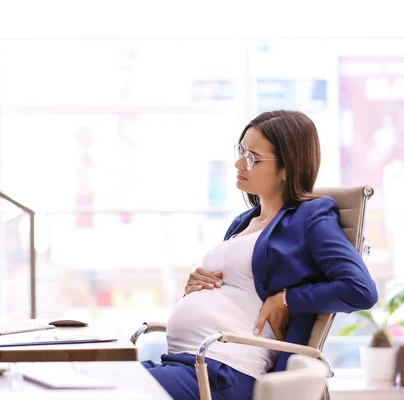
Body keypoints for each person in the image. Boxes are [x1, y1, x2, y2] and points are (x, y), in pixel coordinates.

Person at [142, 110, 379, 400]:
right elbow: (238, 293)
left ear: (286, 169)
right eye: (240, 151)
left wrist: (286, 299)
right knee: (96, 377)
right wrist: (196, 288)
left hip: (223, 371)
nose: (238, 163)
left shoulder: (310, 217)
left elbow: (360, 289)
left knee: (109, 389)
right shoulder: (243, 222)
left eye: (252, 157)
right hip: (186, 362)